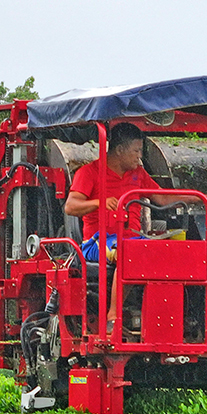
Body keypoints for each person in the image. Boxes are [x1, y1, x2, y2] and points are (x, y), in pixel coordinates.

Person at [63, 122, 197, 332]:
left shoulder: (139, 174)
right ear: (119, 150)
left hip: (132, 238)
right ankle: (113, 317)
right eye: (136, 151)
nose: (139, 157)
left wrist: (197, 197)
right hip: (97, 242)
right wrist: (99, 202)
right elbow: (70, 207)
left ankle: (169, 320)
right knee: (130, 251)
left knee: (169, 251)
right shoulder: (89, 172)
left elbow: (163, 199)